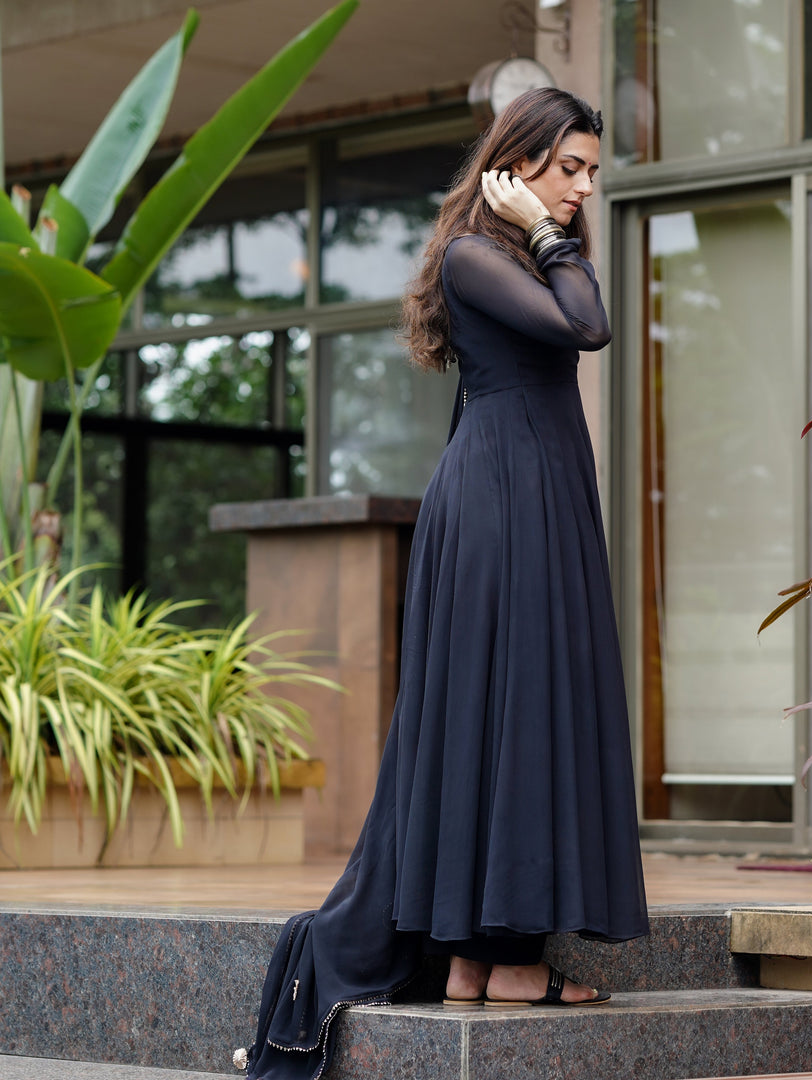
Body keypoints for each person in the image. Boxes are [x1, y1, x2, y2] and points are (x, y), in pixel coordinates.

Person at [242, 87, 648, 1080]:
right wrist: (540, 232)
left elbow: (580, 318)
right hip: (500, 502)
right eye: (572, 169)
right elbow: (586, 326)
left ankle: (478, 958)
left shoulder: (530, 250)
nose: (588, 187)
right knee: (508, 709)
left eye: (595, 170)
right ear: (516, 166)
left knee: (519, 710)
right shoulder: (479, 256)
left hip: (536, 493)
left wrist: (549, 230)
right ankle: (502, 963)